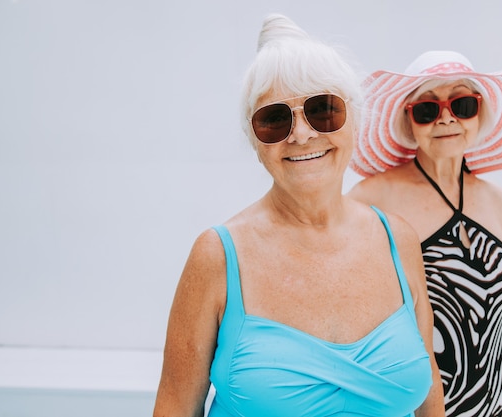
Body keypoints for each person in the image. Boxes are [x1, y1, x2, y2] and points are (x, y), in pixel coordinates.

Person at [153, 14, 444, 417]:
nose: (302, 134)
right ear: (254, 140)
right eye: (274, 119)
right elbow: (174, 407)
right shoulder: (217, 257)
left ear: (355, 120)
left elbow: (430, 399)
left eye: (323, 110)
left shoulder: (399, 241)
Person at [348, 51, 502, 417]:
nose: (446, 118)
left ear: (479, 114)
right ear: (409, 122)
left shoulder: (496, 199)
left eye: (461, 104)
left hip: (496, 406)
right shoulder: (373, 197)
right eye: (427, 109)